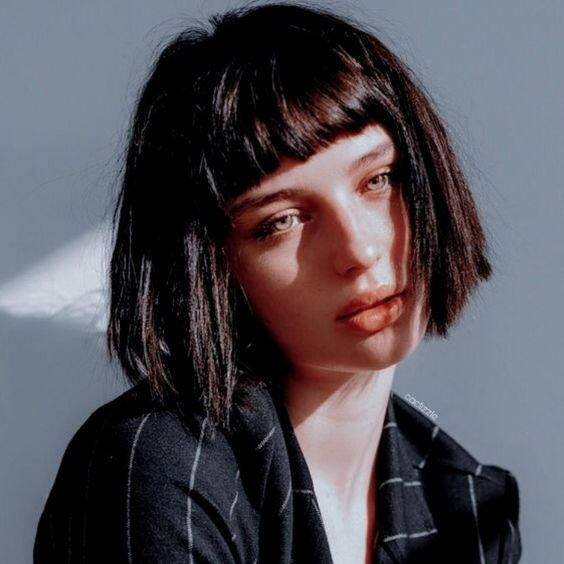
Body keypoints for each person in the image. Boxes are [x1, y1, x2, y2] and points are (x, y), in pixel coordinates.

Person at [33, 3, 522, 563]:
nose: (359, 251)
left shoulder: (470, 505)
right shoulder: (163, 466)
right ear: (211, 267)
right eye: (281, 221)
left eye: (379, 180)